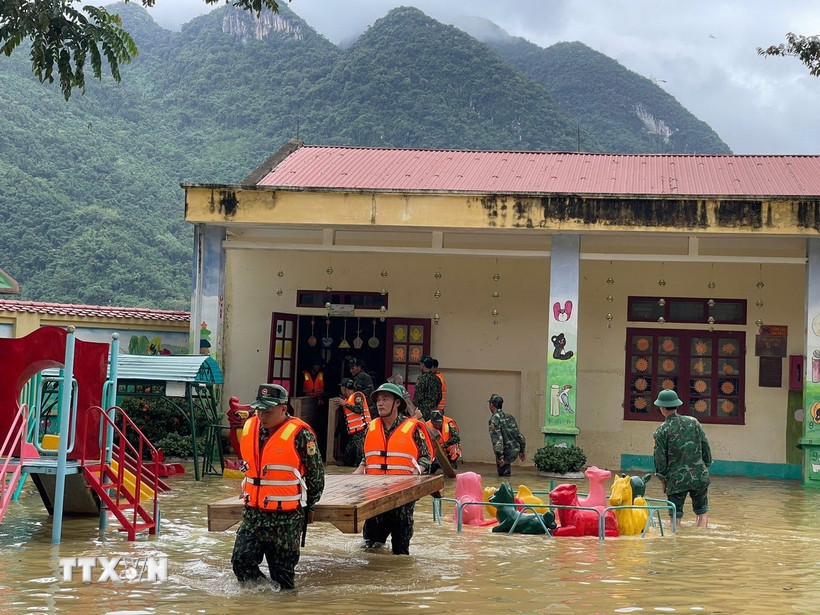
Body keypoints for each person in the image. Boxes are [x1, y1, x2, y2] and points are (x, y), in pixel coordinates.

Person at [231, 383, 325, 589]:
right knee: (240, 561)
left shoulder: (301, 434)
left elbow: (316, 476)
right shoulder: (250, 428)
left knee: (282, 577)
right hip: (254, 514)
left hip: (287, 519)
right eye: (259, 410)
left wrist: (310, 506)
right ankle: (263, 599)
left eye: (269, 411)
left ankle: (281, 606)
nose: (263, 416)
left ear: (284, 409)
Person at [354, 382, 431, 554]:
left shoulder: (413, 428)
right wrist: (359, 469)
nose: (380, 403)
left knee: (400, 555)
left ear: (397, 403)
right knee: (371, 550)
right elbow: (367, 457)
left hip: (402, 501)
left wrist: (418, 469)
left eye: (385, 399)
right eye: (378, 400)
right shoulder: (371, 427)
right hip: (374, 499)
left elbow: (427, 458)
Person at [652, 389, 712, 528]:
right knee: (702, 511)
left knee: (675, 515)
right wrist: (704, 467)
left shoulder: (661, 431)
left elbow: (660, 459)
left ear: (661, 408)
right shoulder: (694, 422)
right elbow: (705, 447)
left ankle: (676, 543)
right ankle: (701, 540)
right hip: (699, 476)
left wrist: (663, 479)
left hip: (676, 480)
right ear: (677, 405)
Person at [332, 377, 370, 467]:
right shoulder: (347, 400)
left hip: (363, 431)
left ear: (344, 388)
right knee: (348, 456)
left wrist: (344, 404)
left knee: (360, 457)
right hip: (355, 433)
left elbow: (359, 409)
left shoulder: (357, 396)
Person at [487, 394, 526, 477]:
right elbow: (518, 435)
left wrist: (500, 456)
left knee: (502, 480)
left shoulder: (494, 419)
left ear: (491, 405)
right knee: (507, 478)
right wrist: (522, 450)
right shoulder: (509, 417)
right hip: (514, 451)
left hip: (504, 453)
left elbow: (497, 439)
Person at [413, 356, 442, 421]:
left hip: (422, 412)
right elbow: (439, 396)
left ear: (423, 365)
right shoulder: (437, 379)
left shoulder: (422, 379)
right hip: (433, 412)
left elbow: (418, 396)